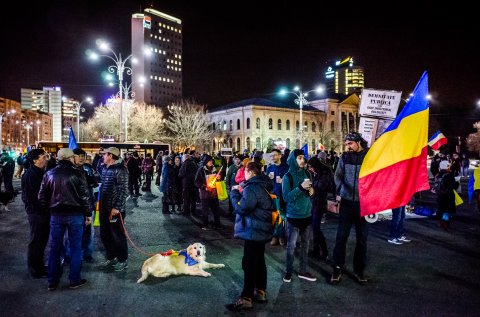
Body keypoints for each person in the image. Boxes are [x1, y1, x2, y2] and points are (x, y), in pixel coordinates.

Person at [38, 148, 91, 291]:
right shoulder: (78, 173)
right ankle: (74, 280)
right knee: (75, 248)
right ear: (70, 158)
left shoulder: (49, 173)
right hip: (75, 215)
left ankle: (52, 281)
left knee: (54, 248)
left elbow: (41, 196)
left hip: (56, 215)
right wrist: (88, 214)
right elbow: (85, 196)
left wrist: (49, 209)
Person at [229, 162, 275, 310]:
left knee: (248, 263)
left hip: (253, 230)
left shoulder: (253, 188)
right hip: (261, 229)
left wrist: (234, 193)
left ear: (250, 172)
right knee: (259, 260)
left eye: (245, 172)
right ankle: (261, 291)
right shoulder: (262, 185)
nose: (244, 174)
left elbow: (242, 208)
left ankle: (246, 297)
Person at [330, 132, 369, 285]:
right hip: (346, 203)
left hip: (364, 204)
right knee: (341, 237)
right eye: (346, 144)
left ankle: (359, 271)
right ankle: (337, 268)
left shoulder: (369, 157)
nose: (347, 147)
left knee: (362, 239)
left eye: (350, 144)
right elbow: (337, 176)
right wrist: (341, 190)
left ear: (358, 142)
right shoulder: (344, 158)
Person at [282, 149, 317, 283]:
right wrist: (300, 188)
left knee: (305, 245)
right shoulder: (287, 177)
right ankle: (288, 271)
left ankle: (303, 271)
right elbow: (286, 197)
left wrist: (312, 192)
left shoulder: (307, 173)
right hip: (293, 217)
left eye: (303, 158)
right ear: (293, 160)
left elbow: (310, 194)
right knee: (291, 246)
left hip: (307, 215)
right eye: (299, 158)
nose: (303, 160)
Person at [99, 147, 129, 271]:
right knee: (105, 235)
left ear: (111, 156)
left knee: (118, 236)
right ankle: (111, 257)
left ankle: (122, 260)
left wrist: (116, 208)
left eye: (105, 154)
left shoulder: (121, 170)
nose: (103, 156)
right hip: (104, 208)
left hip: (115, 211)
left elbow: (123, 191)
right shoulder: (106, 168)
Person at [21, 149, 49, 278]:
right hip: (37, 213)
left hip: (42, 212)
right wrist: (38, 209)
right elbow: (31, 197)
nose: (46, 159)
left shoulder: (40, 173)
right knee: (36, 241)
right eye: (43, 157)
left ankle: (39, 266)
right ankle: (35, 269)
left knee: (41, 241)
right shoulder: (31, 174)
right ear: (35, 160)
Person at [307, 156, 336, 260]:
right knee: (315, 229)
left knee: (316, 228)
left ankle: (324, 251)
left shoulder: (325, 175)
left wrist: (312, 189)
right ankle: (316, 250)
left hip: (319, 204)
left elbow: (323, 188)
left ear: (316, 165)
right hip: (315, 202)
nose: (310, 169)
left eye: (311, 167)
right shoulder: (318, 174)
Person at [266, 149, 288, 246]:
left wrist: (284, 181)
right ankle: (275, 236)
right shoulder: (269, 168)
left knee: (282, 218)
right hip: (273, 197)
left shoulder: (286, 168)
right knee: (274, 217)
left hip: (283, 196)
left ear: (280, 156)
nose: (272, 157)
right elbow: (267, 182)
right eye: (271, 156)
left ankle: (281, 236)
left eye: (274, 155)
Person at [194, 155, 222, 230]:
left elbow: (218, 181)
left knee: (216, 210)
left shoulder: (215, 169)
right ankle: (205, 225)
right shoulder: (201, 170)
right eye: (209, 161)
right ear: (205, 162)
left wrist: (219, 178)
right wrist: (204, 187)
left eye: (211, 161)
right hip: (205, 194)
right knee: (205, 211)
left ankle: (217, 224)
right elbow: (196, 182)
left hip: (214, 193)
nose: (211, 162)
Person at [433, 160, 458, 230]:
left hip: (439, 195)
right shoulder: (449, 175)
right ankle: (445, 223)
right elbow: (453, 186)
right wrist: (457, 183)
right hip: (448, 195)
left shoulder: (437, 175)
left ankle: (441, 222)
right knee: (446, 211)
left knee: (441, 209)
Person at [178, 152, 199, 217]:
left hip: (187, 183)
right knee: (193, 198)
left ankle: (186, 211)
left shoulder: (185, 164)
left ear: (185, 158)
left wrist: (180, 176)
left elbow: (181, 173)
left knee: (186, 198)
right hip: (194, 183)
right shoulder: (194, 163)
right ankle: (193, 210)